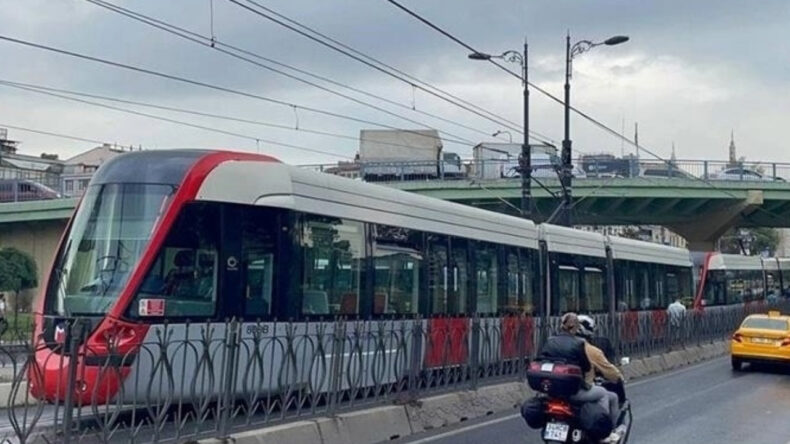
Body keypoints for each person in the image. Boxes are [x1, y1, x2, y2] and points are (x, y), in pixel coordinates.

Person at [538, 313, 621, 443]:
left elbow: (541, 360)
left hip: (553, 391)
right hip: (574, 392)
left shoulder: (550, 341)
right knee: (603, 394)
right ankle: (602, 433)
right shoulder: (579, 344)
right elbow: (586, 367)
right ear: (575, 327)